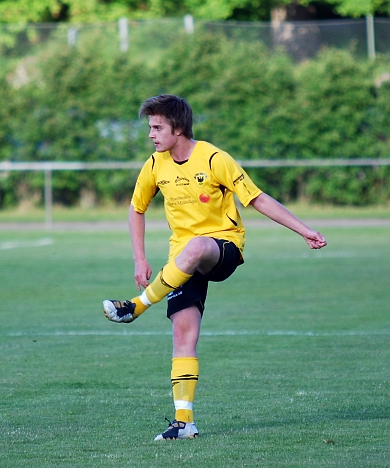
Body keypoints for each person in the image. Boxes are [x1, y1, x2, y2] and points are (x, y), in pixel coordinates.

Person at [102, 94, 327, 441]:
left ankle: (137, 306)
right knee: (183, 335)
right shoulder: (155, 164)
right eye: (150, 127)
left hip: (222, 249)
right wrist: (139, 257)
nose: (151, 135)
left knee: (195, 247)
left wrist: (304, 230)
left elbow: (257, 198)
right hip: (182, 261)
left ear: (178, 128)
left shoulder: (214, 158)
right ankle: (184, 423)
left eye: (157, 127)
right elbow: (136, 208)